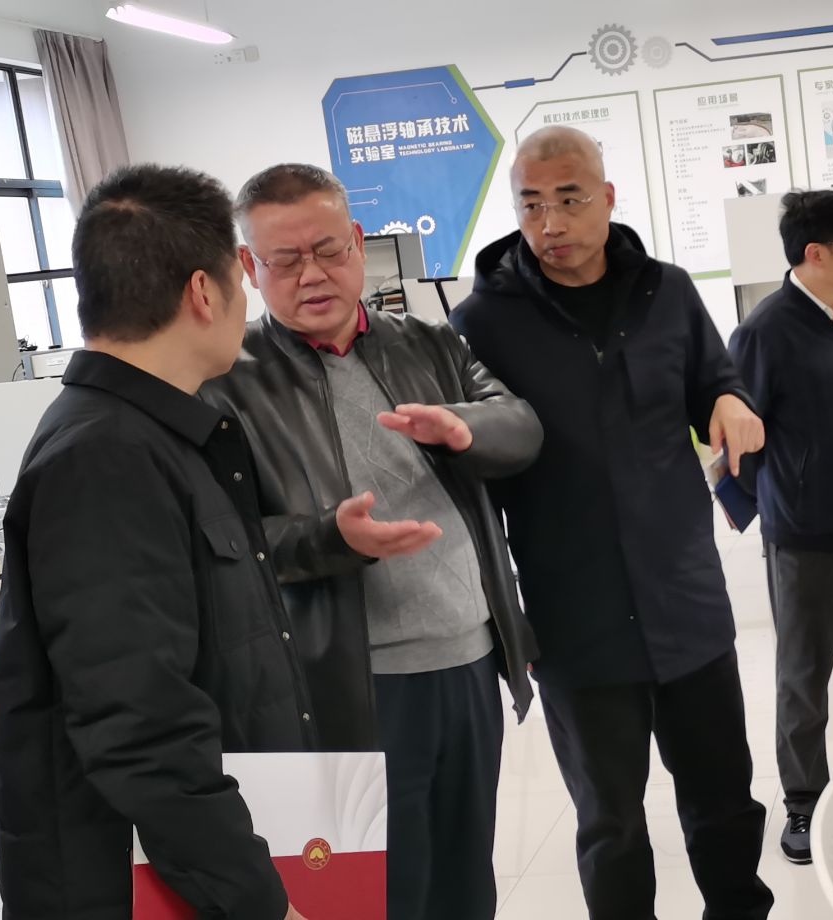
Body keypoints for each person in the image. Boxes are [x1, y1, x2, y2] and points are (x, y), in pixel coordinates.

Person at [199, 163, 543, 920]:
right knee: (382, 894)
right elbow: (225, 541)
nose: (312, 274)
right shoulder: (228, 384)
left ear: (357, 243)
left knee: (466, 881)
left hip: (468, 658)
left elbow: (520, 425)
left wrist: (464, 428)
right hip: (352, 683)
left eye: (328, 250)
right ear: (249, 267)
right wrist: (333, 538)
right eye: (284, 260)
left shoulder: (428, 343)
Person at [450, 126, 774, 920]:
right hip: (575, 622)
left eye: (569, 200)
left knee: (725, 805)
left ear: (607, 197)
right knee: (611, 827)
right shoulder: (482, 322)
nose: (551, 223)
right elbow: (473, 465)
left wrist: (730, 399)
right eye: (531, 205)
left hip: (686, 603)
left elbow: (714, 379)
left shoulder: (668, 292)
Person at [0, 164, 316, 920]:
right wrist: (257, 902)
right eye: (240, 275)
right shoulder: (105, 458)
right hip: (134, 885)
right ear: (204, 292)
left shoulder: (160, 435)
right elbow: (141, 724)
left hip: (198, 862)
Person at [727, 189, 833, 865]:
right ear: (815, 254)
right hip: (804, 539)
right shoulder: (764, 332)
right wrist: (782, 500)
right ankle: (804, 801)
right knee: (804, 678)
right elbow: (740, 441)